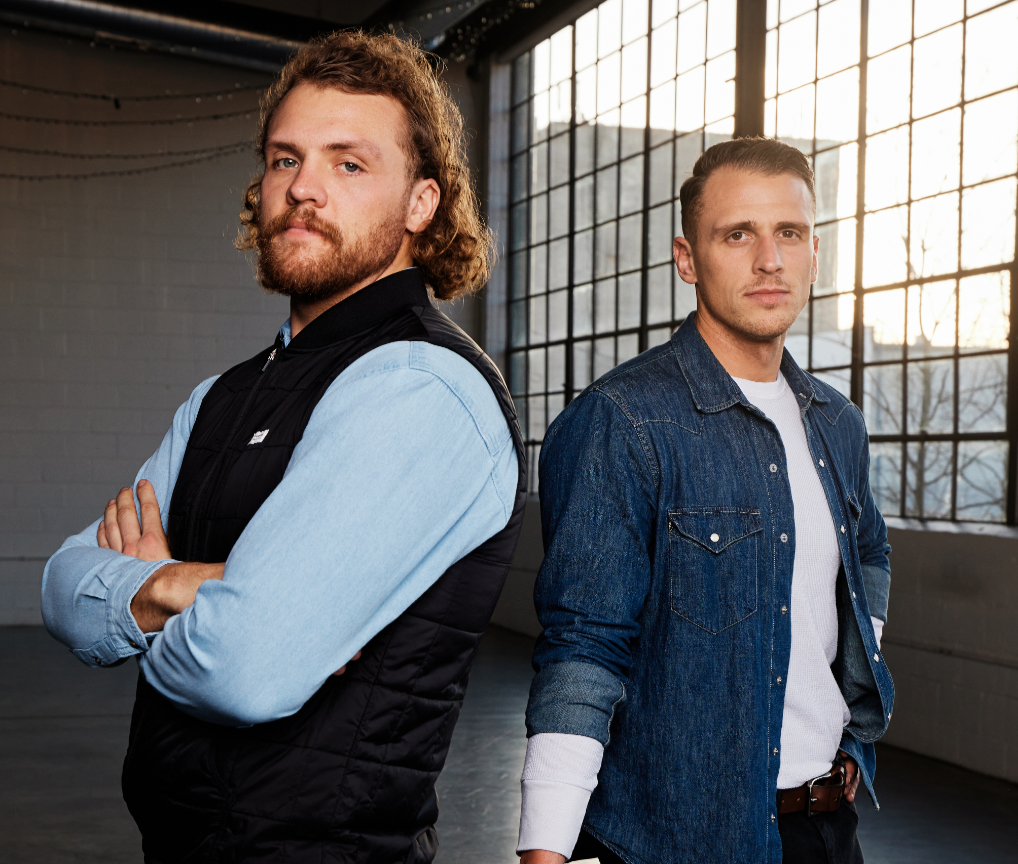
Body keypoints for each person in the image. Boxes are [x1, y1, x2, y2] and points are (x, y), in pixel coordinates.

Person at [41, 31, 525, 864]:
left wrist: (146, 602)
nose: (302, 188)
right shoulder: (223, 396)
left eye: (348, 164)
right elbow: (61, 586)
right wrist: (183, 586)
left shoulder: (421, 387)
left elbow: (247, 668)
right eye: (284, 158)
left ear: (419, 205)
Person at [516, 137, 893, 864]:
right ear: (688, 258)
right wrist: (545, 854)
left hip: (824, 828)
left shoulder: (837, 425)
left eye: (789, 233)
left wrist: (848, 717)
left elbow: (868, 550)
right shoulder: (622, 422)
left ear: (815, 252)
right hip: (679, 841)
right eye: (738, 234)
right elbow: (582, 646)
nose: (769, 260)